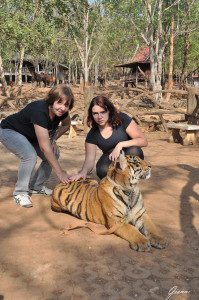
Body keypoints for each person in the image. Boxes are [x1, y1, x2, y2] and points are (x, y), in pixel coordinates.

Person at [0, 84, 74, 208]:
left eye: (66, 105)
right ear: (52, 100)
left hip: (30, 136)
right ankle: (20, 192)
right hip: (9, 131)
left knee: (54, 153)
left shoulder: (62, 113)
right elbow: (45, 148)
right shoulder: (39, 111)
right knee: (29, 155)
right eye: (59, 102)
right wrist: (60, 172)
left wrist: (53, 139)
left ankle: (36, 187)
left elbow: (66, 125)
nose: (62, 108)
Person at [70, 95, 147, 181]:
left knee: (135, 151)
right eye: (95, 113)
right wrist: (83, 172)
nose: (99, 117)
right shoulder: (92, 134)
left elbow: (143, 141)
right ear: (91, 115)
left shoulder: (122, 119)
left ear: (109, 111)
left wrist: (120, 145)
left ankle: (130, 180)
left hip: (128, 151)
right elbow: (89, 160)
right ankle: (119, 181)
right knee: (101, 170)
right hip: (111, 157)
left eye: (103, 112)